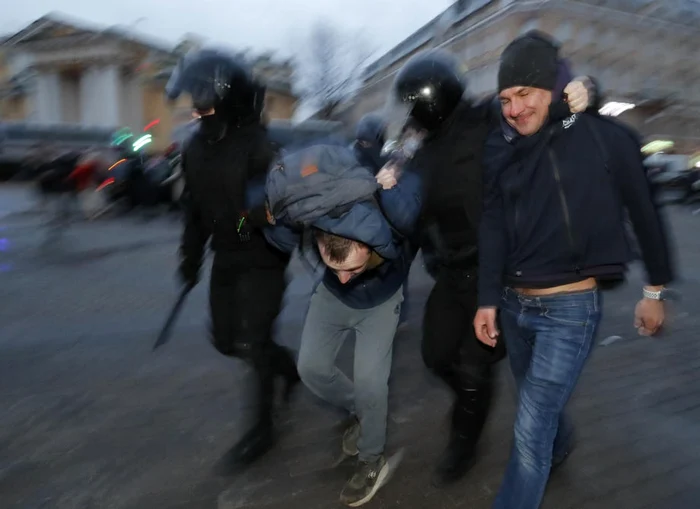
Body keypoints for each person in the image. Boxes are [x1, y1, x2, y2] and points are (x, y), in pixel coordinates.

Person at [473, 31, 673, 509]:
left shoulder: (603, 139)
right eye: (505, 98)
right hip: (514, 305)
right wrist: (486, 299)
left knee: (528, 430)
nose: (514, 109)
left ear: (554, 88)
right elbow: (494, 224)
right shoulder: (504, 148)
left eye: (524, 94)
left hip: (570, 309)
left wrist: (655, 293)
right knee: (535, 406)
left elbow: (644, 214)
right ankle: (560, 444)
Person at [387, 47, 596, 486]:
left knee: (476, 367)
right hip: (449, 272)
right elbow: (412, 212)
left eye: (416, 105)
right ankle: (477, 398)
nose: (412, 114)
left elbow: (547, 118)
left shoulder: (488, 120)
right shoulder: (416, 145)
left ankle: (467, 438)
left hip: (496, 272)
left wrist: (584, 93)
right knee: (436, 355)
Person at [164, 49, 300, 470]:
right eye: (194, 97)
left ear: (228, 96)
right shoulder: (195, 149)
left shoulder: (260, 149)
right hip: (226, 257)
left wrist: (242, 227)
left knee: (253, 341)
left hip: (261, 258)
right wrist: (190, 260)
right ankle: (285, 367)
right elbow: (194, 210)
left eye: (203, 96)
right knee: (226, 340)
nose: (196, 106)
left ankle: (262, 430)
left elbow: (266, 213)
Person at [265, 143, 422, 507]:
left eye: (352, 268)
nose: (347, 276)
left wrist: (396, 183)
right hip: (331, 299)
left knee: (370, 380)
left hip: (382, 302)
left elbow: (425, 200)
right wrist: (260, 217)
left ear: (369, 244)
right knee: (311, 368)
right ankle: (363, 412)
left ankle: (371, 460)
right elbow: (256, 227)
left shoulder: (391, 212)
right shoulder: (313, 213)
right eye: (336, 266)